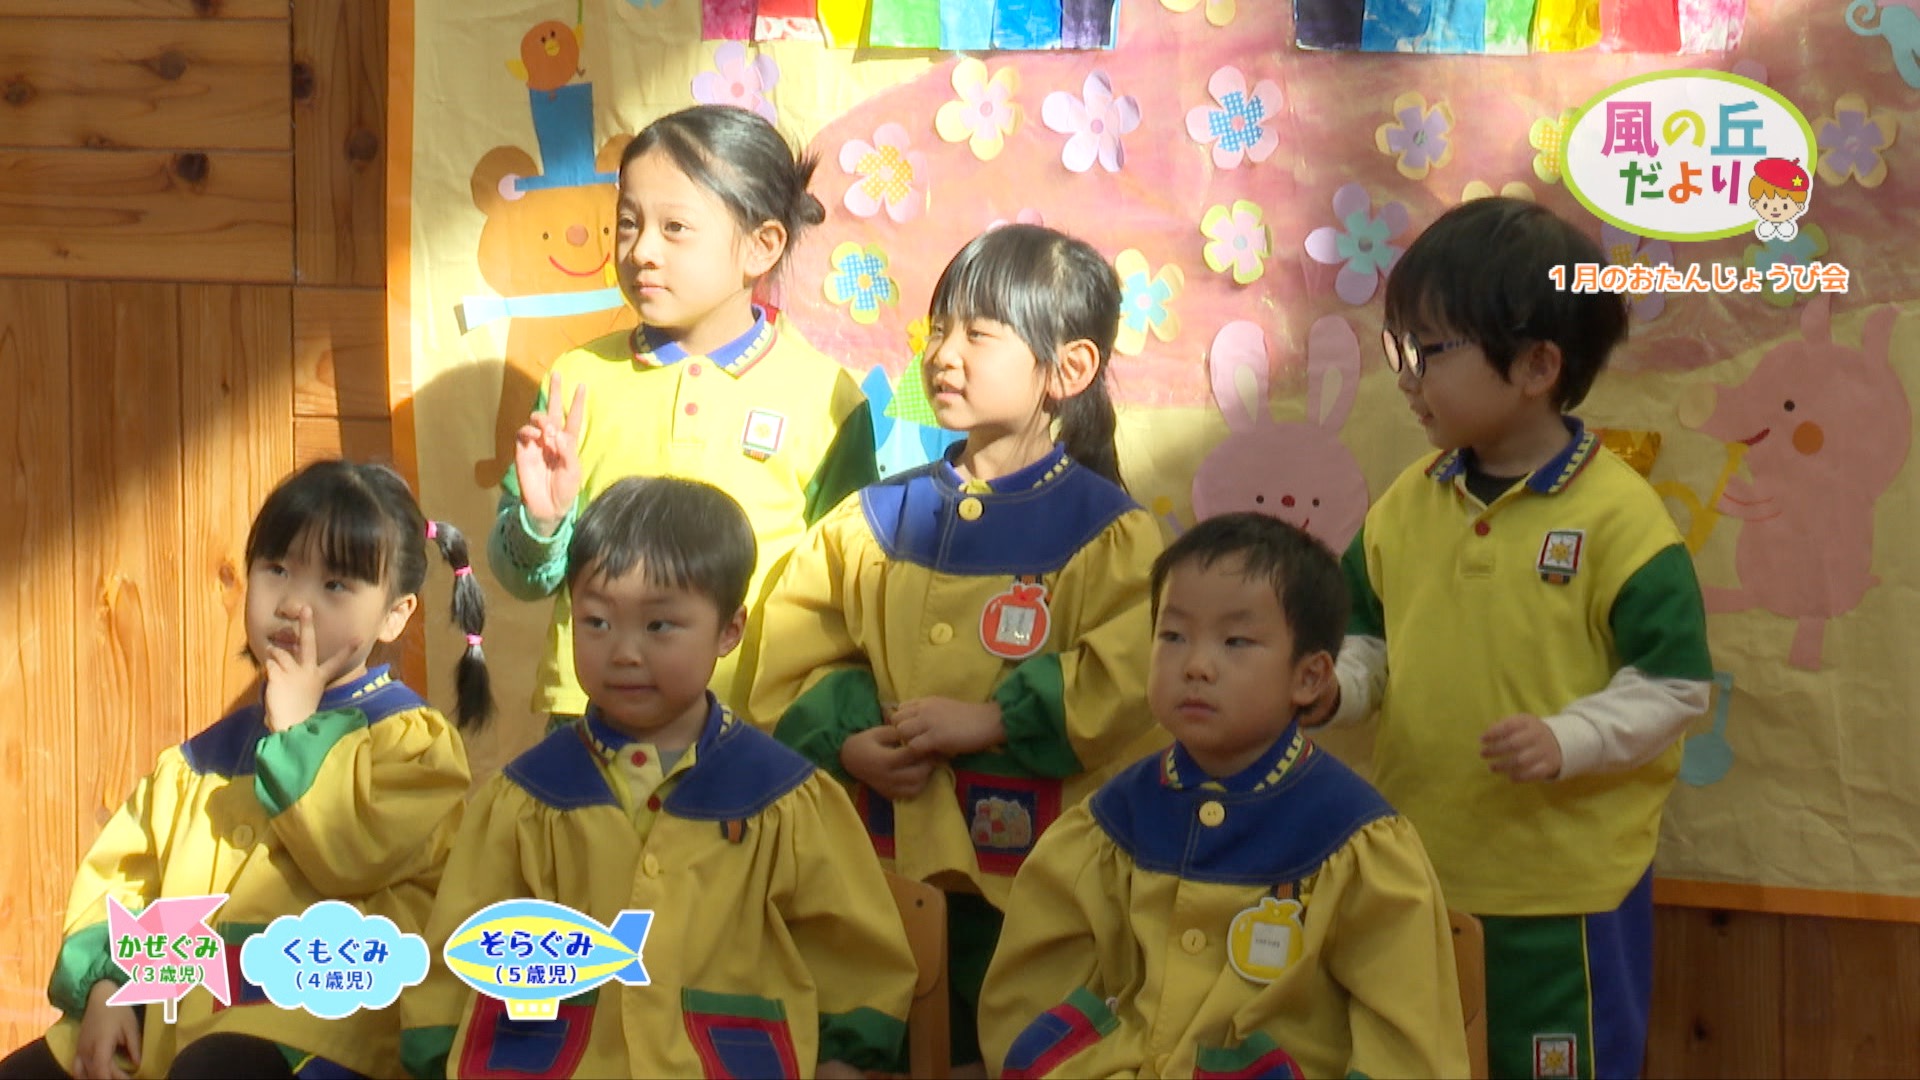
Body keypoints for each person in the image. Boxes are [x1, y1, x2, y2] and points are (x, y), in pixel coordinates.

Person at [750, 224, 1165, 1073]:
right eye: (939, 329)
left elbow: (1134, 676)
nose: (943, 354)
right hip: (877, 868)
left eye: (979, 334)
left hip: (1034, 887)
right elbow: (793, 652)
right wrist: (846, 738)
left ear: (1069, 369)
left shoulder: (1110, 534)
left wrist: (997, 719)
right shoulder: (874, 518)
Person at [1318, 196, 1714, 1079]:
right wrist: (1334, 689)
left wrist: (1570, 739)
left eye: (1429, 351)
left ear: (1538, 364)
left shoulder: (1623, 520)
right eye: (1399, 349)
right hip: (1420, 873)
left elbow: (1676, 686)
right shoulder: (1406, 503)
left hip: (1564, 891)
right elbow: (1366, 641)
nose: (1406, 377)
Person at [405, 477, 914, 1080]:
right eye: (596, 622)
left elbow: (856, 959)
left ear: (729, 630)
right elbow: (457, 957)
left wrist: (844, 1062)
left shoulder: (785, 796)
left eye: (659, 626)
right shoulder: (524, 799)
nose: (624, 652)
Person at [0, 459, 491, 1079]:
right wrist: (108, 986)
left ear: (395, 613)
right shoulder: (197, 761)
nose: (294, 604)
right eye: (277, 568)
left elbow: (353, 852)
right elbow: (126, 881)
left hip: (320, 1032)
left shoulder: (411, 744)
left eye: (335, 585)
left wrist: (296, 733)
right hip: (173, 1018)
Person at [979, 512, 1469, 1078]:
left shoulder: (1358, 842)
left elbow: (1406, 1052)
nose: (1196, 665)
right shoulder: (1106, 825)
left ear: (1310, 677)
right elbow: (1029, 1006)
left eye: (1236, 641)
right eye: (1173, 636)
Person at [489, 104, 877, 725]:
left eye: (675, 228)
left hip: (755, 725)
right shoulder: (576, 378)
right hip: (592, 721)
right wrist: (542, 524)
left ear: (762, 246)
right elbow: (523, 577)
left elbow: (854, 585)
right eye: (628, 223)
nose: (642, 250)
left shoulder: (827, 397)